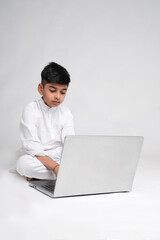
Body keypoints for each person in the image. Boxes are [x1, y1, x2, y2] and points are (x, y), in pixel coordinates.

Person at [16, 62, 75, 181]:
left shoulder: (66, 112)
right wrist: (55, 167)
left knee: (76, 156)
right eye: (53, 90)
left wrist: (62, 162)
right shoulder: (31, 109)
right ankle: (64, 172)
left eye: (63, 92)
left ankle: (55, 172)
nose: (58, 96)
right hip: (37, 156)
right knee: (22, 164)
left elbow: (70, 144)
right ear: (40, 89)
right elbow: (32, 146)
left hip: (58, 155)